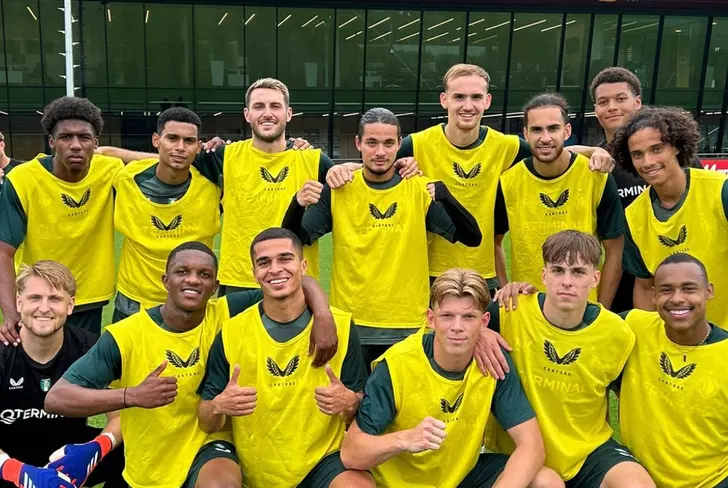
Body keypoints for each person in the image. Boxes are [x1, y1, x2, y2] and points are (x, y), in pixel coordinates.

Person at [44, 241, 337, 488]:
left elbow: (300, 281)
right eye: (182, 272)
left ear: (215, 286)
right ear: (165, 280)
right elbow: (57, 398)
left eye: (204, 274)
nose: (193, 280)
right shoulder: (126, 335)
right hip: (150, 463)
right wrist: (131, 396)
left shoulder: (227, 311)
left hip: (210, 444)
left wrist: (323, 314)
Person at [99, 78, 419, 297]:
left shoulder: (312, 158)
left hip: (296, 280)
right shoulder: (224, 156)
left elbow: (361, 173)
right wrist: (109, 153)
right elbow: (171, 159)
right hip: (239, 281)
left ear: (288, 114)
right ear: (247, 114)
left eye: (276, 106)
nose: (268, 113)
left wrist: (401, 164)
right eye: (260, 106)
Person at [391, 63, 615, 295]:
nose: (468, 105)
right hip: (431, 274)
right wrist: (350, 168)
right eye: (459, 97)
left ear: (487, 101)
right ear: (444, 100)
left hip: (485, 276)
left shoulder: (507, 146)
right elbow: (374, 163)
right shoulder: (417, 145)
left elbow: (549, 149)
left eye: (476, 97)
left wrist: (593, 151)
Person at [282, 107, 482, 367]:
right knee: (351, 402)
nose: (380, 152)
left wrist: (446, 195)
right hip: (352, 324)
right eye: (372, 143)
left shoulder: (419, 189)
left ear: (400, 144)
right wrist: (296, 204)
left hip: (408, 326)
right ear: (358, 144)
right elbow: (293, 240)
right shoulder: (338, 190)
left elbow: (472, 238)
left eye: (389, 143)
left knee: (405, 405)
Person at [341, 268, 556, 488]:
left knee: (546, 482)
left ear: (484, 322)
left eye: (468, 317)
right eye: (447, 316)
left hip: (463, 477)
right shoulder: (397, 365)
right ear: (431, 319)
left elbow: (532, 446)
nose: (457, 327)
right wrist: (405, 439)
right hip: (399, 482)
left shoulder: (493, 361)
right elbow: (351, 452)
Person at [197, 228, 373, 488]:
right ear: (254, 272)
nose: (275, 269)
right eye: (264, 262)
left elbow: (358, 405)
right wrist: (218, 406)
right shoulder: (232, 332)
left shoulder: (341, 327)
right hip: (253, 461)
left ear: (303, 265)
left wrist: (348, 402)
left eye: (285, 259)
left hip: (322, 460)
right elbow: (205, 418)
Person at [485, 230, 655, 487]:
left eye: (578, 272)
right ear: (543, 275)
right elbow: (454, 330)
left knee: (636, 484)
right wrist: (481, 333)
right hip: (520, 451)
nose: (567, 281)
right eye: (557, 270)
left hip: (587, 450)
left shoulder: (617, 333)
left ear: (595, 277)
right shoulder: (509, 311)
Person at [0, 97, 123, 340]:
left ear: (95, 143)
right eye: (66, 137)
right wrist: (10, 311)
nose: (75, 145)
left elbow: (162, 163)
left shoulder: (111, 170)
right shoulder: (23, 179)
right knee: (37, 372)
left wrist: (112, 152)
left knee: (80, 374)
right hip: (39, 296)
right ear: (52, 142)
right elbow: (4, 252)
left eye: (84, 138)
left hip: (90, 296)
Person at [588, 67, 703, 312]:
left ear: (637, 102)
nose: (612, 107)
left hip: (682, 271)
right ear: (596, 110)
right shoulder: (594, 166)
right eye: (603, 102)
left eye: (621, 99)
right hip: (624, 279)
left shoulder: (681, 161)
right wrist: (589, 151)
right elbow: (554, 156)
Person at [0, 261, 124, 488]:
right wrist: (15, 470)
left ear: (70, 305)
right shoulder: (2, 352)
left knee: (137, 446)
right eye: (34, 298)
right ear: (19, 302)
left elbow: (121, 416)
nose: (44, 308)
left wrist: (95, 450)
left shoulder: (90, 348)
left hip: (67, 459)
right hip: (8, 462)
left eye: (55, 299)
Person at [494, 92, 624, 307]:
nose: (545, 138)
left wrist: (602, 307)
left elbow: (615, 249)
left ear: (567, 131)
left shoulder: (595, 176)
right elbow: (494, 242)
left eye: (553, 128)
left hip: (583, 306)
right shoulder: (508, 181)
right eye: (536, 130)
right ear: (525, 134)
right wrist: (506, 287)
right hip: (529, 306)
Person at [618, 253, 728, 488]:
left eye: (689, 289)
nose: (677, 298)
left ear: (708, 292)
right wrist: (527, 298)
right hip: (638, 479)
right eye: (666, 290)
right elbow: (574, 324)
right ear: (654, 295)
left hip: (711, 481)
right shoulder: (633, 326)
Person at [612, 106, 728, 327]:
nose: (647, 162)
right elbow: (645, 287)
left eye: (656, 149)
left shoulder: (720, 191)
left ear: (675, 146)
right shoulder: (634, 215)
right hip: (675, 344)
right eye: (638, 154)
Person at [112, 107, 221, 323]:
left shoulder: (215, 185)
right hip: (133, 305)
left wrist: (297, 145)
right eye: (172, 138)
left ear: (199, 147)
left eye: (189, 141)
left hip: (192, 303)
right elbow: (100, 152)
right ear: (156, 140)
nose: (180, 147)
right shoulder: (125, 178)